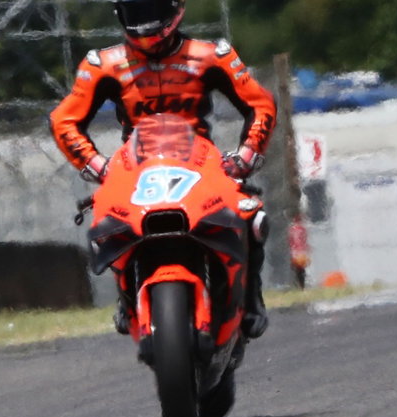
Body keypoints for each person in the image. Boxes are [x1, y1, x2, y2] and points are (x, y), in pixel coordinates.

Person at [49, 0, 278, 340]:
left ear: (174, 9)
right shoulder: (102, 65)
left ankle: (250, 297)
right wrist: (100, 166)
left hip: (200, 159)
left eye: (152, 10)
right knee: (105, 221)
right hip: (134, 165)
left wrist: (245, 156)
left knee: (252, 215)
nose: (145, 22)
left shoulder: (214, 55)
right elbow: (64, 119)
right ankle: (128, 299)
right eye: (136, 12)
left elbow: (260, 104)